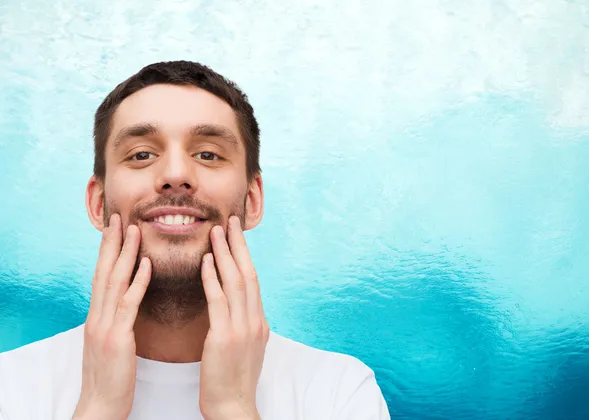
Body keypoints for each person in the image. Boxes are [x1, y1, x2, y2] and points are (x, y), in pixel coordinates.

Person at [0, 61, 391, 420]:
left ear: (252, 200)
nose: (175, 173)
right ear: (98, 202)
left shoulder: (338, 392)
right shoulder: (11, 387)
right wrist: (99, 407)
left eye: (207, 153)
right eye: (140, 155)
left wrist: (233, 407)